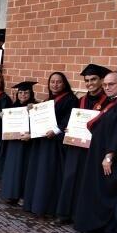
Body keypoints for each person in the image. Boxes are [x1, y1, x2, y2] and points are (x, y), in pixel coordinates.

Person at [74, 72, 117, 233]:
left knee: (113, 195)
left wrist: (109, 155)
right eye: (105, 84)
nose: (107, 87)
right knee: (101, 192)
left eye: (111, 84)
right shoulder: (114, 102)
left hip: (115, 159)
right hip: (100, 154)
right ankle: (101, 226)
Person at [55, 64, 111, 225]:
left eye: (93, 79)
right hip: (76, 146)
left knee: (87, 181)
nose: (89, 83)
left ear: (101, 80)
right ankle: (64, 214)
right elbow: (68, 121)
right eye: (86, 80)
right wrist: (67, 128)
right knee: (70, 178)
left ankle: (81, 216)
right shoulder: (80, 101)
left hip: (94, 148)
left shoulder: (108, 102)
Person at [23, 72, 78, 217]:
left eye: (58, 82)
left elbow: (68, 120)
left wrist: (55, 131)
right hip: (42, 142)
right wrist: (32, 111)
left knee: (48, 176)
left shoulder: (71, 99)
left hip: (54, 145)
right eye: (52, 82)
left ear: (64, 83)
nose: (55, 84)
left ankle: (47, 207)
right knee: (38, 174)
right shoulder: (48, 100)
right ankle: (34, 204)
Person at [0, 81, 37, 205]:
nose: (23, 95)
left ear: (31, 93)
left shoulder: (35, 106)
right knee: (13, 169)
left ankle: (23, 195)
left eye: (26, 92)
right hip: (13, 143)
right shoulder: (12, 107)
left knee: (24, 170)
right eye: (20, 92)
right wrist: (2, 117)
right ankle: (12, 194)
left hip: (27, 143)